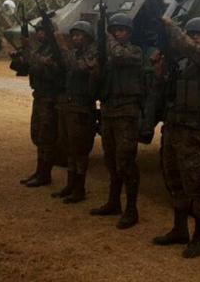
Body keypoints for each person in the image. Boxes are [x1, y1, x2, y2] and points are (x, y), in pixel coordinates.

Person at [151, 16, 200, 258]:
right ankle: (179, 229)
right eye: (192, 34)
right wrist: (159, 72)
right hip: (172, 128)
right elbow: (162, 91)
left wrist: (170, 24)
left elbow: (188, 47)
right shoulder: (179, 62)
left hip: (193, 132)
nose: (195, 38)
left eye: (199, 35)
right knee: (174, 180)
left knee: (197, 187)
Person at [90, 13, 144, 229]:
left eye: (121, 30)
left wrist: (106, 38)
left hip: (126, 113)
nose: (117, 33)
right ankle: (114, 202)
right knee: (111, 160)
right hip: (109, 111)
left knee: (126, 161)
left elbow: (120, 56)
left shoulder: (134, 51)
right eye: (114, 30)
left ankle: (132, 209)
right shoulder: (109, 54)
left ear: (129, 33)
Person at [52, 21, 98, 204]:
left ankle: (80, 188)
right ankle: (70, 185)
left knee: (79, 150)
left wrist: (62, 46)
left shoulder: (93, 53)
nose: (75, 38)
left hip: (82, 107)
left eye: (79, 35)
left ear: (87, 37)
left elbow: (79, 67)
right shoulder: (76, 53)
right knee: (69, 148)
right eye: (74, 35)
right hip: (69, 106)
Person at [17, 24, 64, 188]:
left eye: (43, 31)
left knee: (47, 136)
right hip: (39, 96)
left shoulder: (55, 51)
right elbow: (31, 64)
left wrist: (28, 50)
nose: (40, 34)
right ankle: (39, 171)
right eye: (38, 31)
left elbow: (47, 65)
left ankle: (45, 174)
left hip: (50, 98)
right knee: (37, 134)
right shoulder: (41, 49)